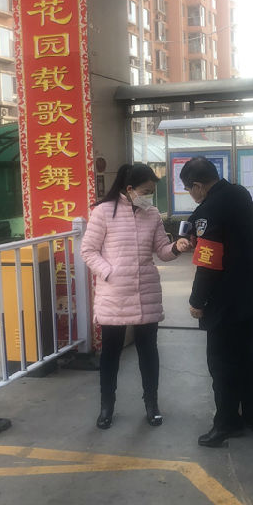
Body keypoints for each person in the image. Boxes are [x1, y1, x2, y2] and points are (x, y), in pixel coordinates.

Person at [81, 163, 192, 430]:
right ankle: (107, 406)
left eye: (152, 192)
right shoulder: (103, 212)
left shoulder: (151, 214)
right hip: (115, 294)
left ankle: (151, 404)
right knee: (110, 354)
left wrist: (176, 248)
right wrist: (110, 272)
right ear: (130, 189)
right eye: (146, 191)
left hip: (146, 293)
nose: (149, 197)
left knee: (148, 352)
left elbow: (161, 250)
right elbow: (88, 250)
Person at [179, 157, 253, 447]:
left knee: (221, 363)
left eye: (189, 189)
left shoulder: (210, 210)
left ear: (197, 185)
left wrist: (197, 300)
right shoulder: (238, 193)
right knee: (249, 355)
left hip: (227, 300)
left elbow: (208, 262)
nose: (191, 195)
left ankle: (227, 424)